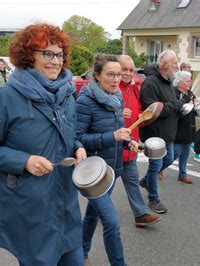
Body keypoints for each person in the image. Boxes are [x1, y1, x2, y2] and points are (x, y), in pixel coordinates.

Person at [0, 24, 86, 265]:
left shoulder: (66, 96)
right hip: (30, 208)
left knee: (74, 258)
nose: (55, 61)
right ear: (29, 56)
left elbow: (67, 134)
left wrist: (77, 146)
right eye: (47, 53)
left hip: (66, 204)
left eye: (59, 54)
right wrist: (24, 161)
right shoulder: (6, 98)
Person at [76, 54, 135, 265]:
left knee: (92, 215)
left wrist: (128, 142)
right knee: (111, 222)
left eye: (119, 74)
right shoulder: (85, 101)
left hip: (112, 170)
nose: (116, 79)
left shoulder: (116, 98)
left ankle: (81, 252)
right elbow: (78, 139)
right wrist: (112, 137)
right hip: (93, 174)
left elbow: (118, 132)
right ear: (98, 75)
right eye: (110, 74)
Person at [139, 50, 184, 214]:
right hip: (154, 134)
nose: (177, 66)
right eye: (174, 62)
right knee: (155, 166)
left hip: (168, 132)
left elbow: (171, 103)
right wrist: (176, 105)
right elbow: (150, 110)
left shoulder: (168, 81)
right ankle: (153, 199)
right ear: (164, 64)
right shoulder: (151, 83)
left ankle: (145, 181)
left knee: (169, 159)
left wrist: (179, 106)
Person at [119, 55, 162, 227]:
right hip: (114, 146)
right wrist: (118, 113)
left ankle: (140, 214)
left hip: (131, 146)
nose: (128, 73)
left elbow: (141, 115)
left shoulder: (135, 89)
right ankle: (96, 212)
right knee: (104, 187)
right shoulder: (112, 89)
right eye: (125, 69)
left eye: (131, 70)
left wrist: (144, 117)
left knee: (132, 181)